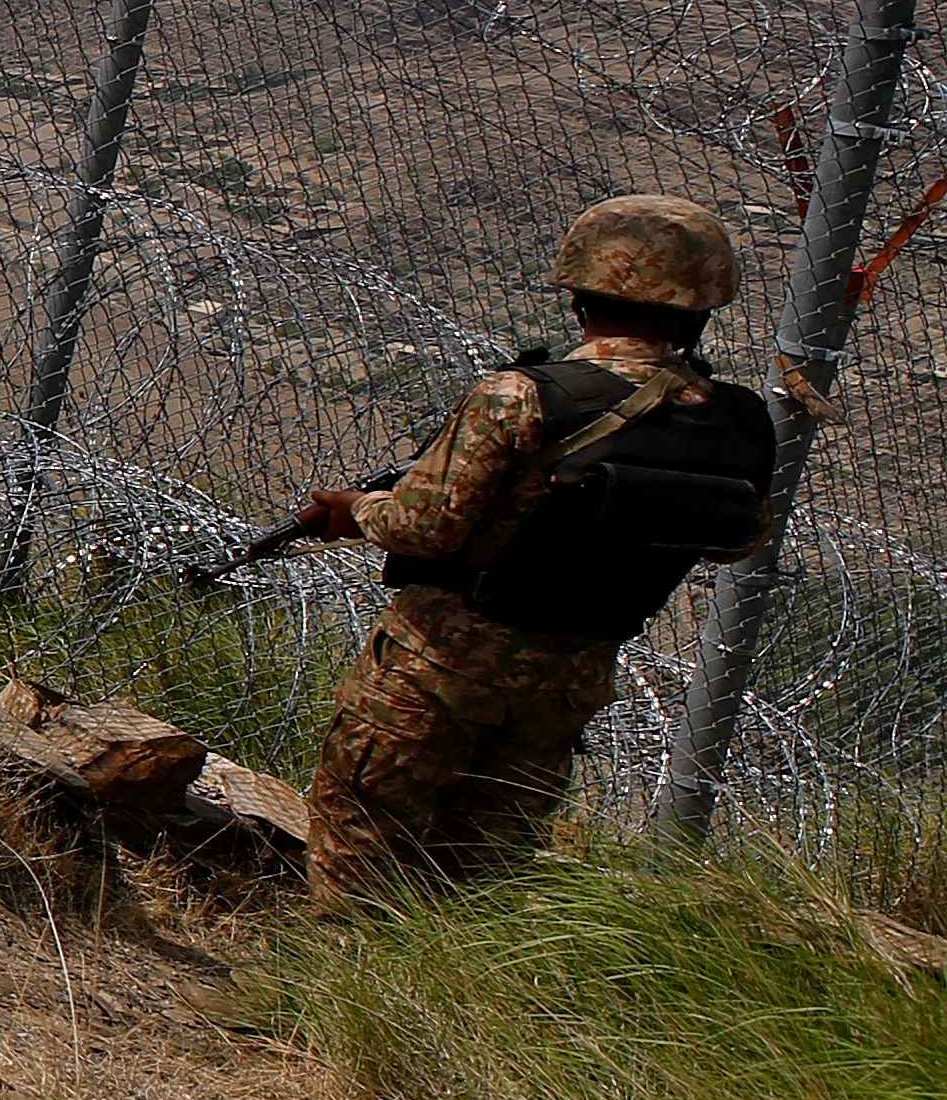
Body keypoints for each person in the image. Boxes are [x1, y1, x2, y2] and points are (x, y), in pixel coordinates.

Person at [289, 193, 778, 907]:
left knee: (365, 824)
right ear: (697, 309)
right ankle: (460, 1003)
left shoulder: (523, 396)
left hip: (440, 665)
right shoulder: (737, 419)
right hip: (570, 677)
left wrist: (357, 509)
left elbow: (424, 530)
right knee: (485, 863)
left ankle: (327, 997)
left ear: (579, 297)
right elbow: (738, 541)